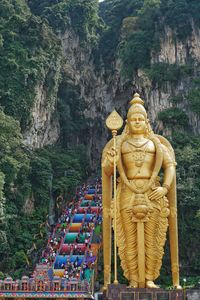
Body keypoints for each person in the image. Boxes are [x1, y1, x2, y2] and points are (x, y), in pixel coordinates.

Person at [102, 93, 181, 289]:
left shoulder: (158, 144)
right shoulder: (118, 144)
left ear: (147, 121)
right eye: (133, 119)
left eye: (140, 119)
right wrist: (111, 160)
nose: (137, 122)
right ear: (127, 122)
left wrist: (165, 187)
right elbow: (107, 170)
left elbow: (170, 166)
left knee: (152, 237)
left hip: (152, 191)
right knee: (128, 239)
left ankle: (149, 278)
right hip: (127, 192)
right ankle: (133, 279)